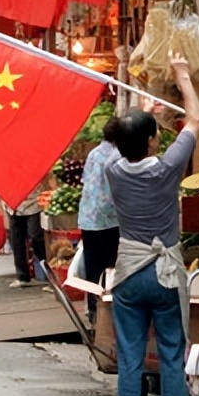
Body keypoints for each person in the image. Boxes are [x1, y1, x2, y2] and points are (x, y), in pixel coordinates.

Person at [105, 54, 199, 396]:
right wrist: (182, 74)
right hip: (163, 274)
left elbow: (118, 138)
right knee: (170, 356)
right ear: (150, 141)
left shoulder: (113, 168)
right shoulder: (167, 170)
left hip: (129, 272)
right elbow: (195, 117)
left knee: (129, 357)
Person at [78, 117, 121, 322]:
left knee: (93, 265)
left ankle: (93, 309)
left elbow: (86, 180)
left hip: (88, 217)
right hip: (110, 219)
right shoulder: (118, 155)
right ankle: (107, 310)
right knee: (111, 266)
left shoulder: (93, 153)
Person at [6, 185, 45, 288]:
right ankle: (22, 276)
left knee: (36, 237)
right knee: (16, 241)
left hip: (33, 202)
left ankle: (47, 269)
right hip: (12, 204)